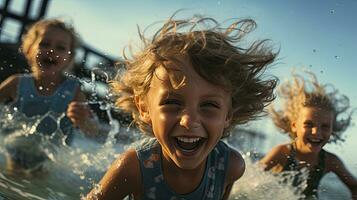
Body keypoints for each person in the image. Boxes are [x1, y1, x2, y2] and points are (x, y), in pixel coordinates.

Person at [86, 14, 278, 200]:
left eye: (208, 105)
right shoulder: (134, 167)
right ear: (144, 108)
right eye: (172, 102)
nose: (189, 121)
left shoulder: (230, 167)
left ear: (228, 114)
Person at [0, 19, 98, 171]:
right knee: (13, 177)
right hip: (15, 150)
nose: (51, 50)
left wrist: (84, 121)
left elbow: (92, 130)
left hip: (50, 157)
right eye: (44, 44)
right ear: (28, 49)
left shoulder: (73, 91)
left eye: (61, 47)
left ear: (69, 59)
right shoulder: (16, 83)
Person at [260, 71, 357, 199]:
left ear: (332, 130)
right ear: (294, 126)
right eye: (309, 124)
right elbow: (248, 181)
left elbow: (354, 186)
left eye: (325, 126)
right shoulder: (282, 153)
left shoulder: (330, 161)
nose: (316, 132)